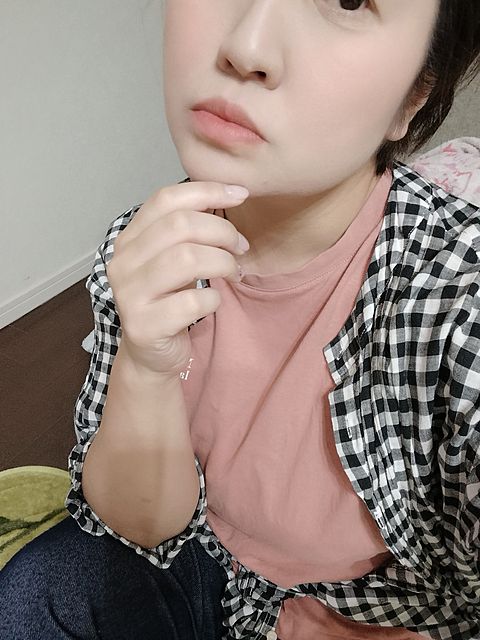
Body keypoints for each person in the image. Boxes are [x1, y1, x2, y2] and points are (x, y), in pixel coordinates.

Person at [1, 1, 479, 638]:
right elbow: (141, 528)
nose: (246, 47)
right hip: (211, 564)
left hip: (382, 614)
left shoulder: (457, 294)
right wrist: (144, 365)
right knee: (40, 587)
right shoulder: (146, 247)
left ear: (414, 96)